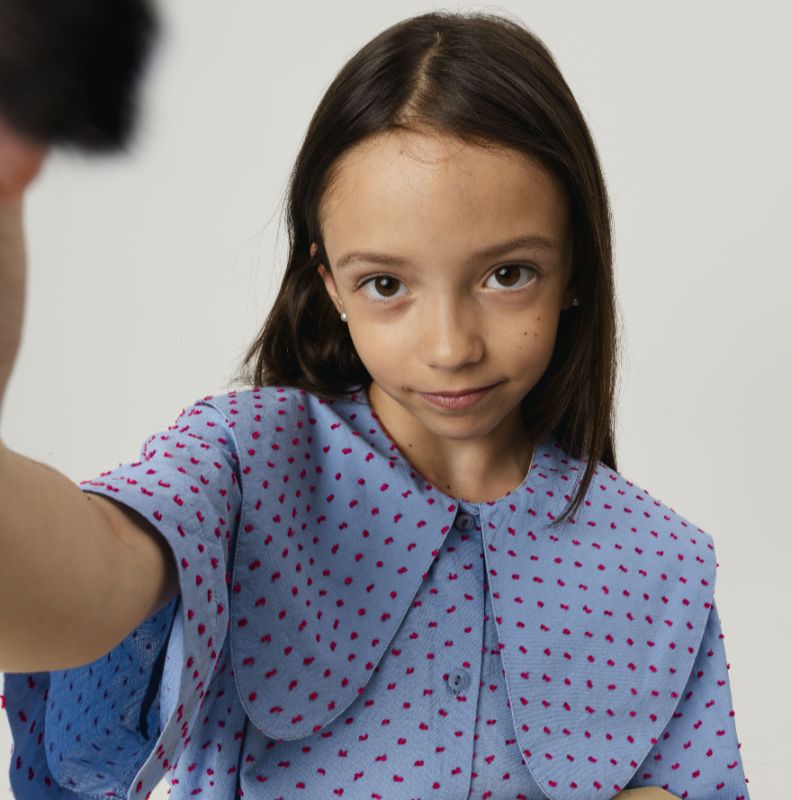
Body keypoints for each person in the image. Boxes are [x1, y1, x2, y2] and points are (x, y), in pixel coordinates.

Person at [0, 10, 751, 800]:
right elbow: (88, 575)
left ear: (575, 270)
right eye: (386, 284)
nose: (452, 345)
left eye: (508, 274)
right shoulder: (245, 463)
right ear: (331, 287)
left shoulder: (659, 561)